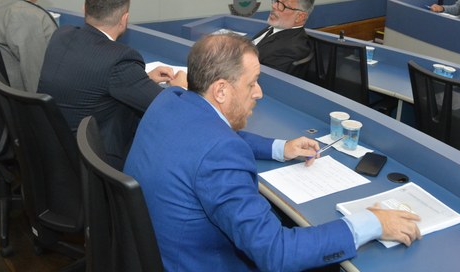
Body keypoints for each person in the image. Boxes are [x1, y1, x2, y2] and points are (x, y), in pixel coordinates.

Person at [124, 34, 421, 272]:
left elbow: (213, 133)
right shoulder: (220, 153)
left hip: (156, 253)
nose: (259, 93)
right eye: (252, 83)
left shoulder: (172, 98)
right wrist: (373, 222)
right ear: (221, 90)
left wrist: (280, 148)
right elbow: (276, 254)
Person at [37, 0, 186, 169]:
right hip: (92, 162)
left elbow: (95, 79)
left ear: (85, 9)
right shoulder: (119, 59)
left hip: (52, 150)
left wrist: (144, 79)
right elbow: (169, 107)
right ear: (124, 19)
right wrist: (179, 88)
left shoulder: (61, 34)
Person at [251, 0, 313, 74]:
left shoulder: (291, 49)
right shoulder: (279, 27)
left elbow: (264, 78)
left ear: (300, 17)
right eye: (277, 0)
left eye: (283, 5)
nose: (274, 6)